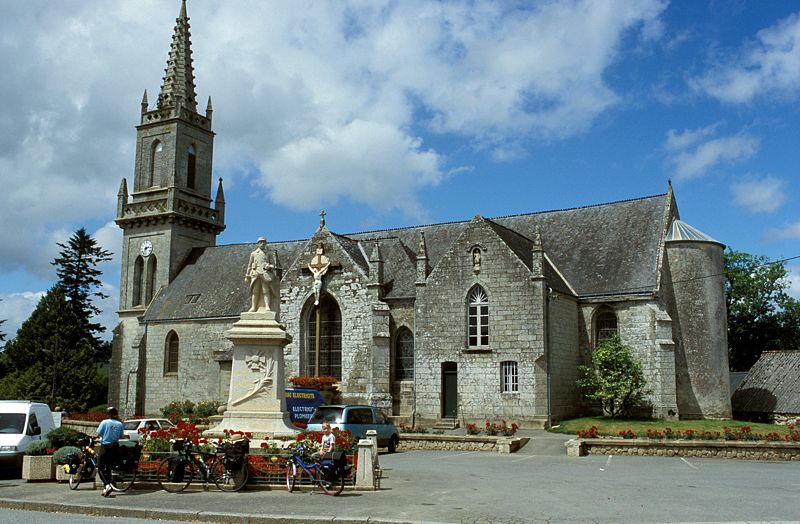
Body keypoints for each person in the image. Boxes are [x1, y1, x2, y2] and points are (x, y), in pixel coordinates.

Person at [94, 406, 124, 497]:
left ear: (109, 414)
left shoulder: (104, 422)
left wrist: (96, 438)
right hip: (115, 447)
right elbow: (120, 436)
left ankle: (107, 485)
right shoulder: (120, 424)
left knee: (100, 467)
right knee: (109, 468)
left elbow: (98, 434)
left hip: (105, 446)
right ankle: (105, 488)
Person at [245, 236, 279, 313]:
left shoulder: (268, 254)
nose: (262, 243)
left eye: (264, 242)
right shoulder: (253, 253)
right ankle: (253, 307)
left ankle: (267, 306)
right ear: (258, 244)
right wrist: (247, 275)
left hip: (265, 274)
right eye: (260, 242)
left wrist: (269, 266)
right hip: (256, 274)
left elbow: (273, 265)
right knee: (255, 291)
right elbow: (249, 265)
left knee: (265, 290)